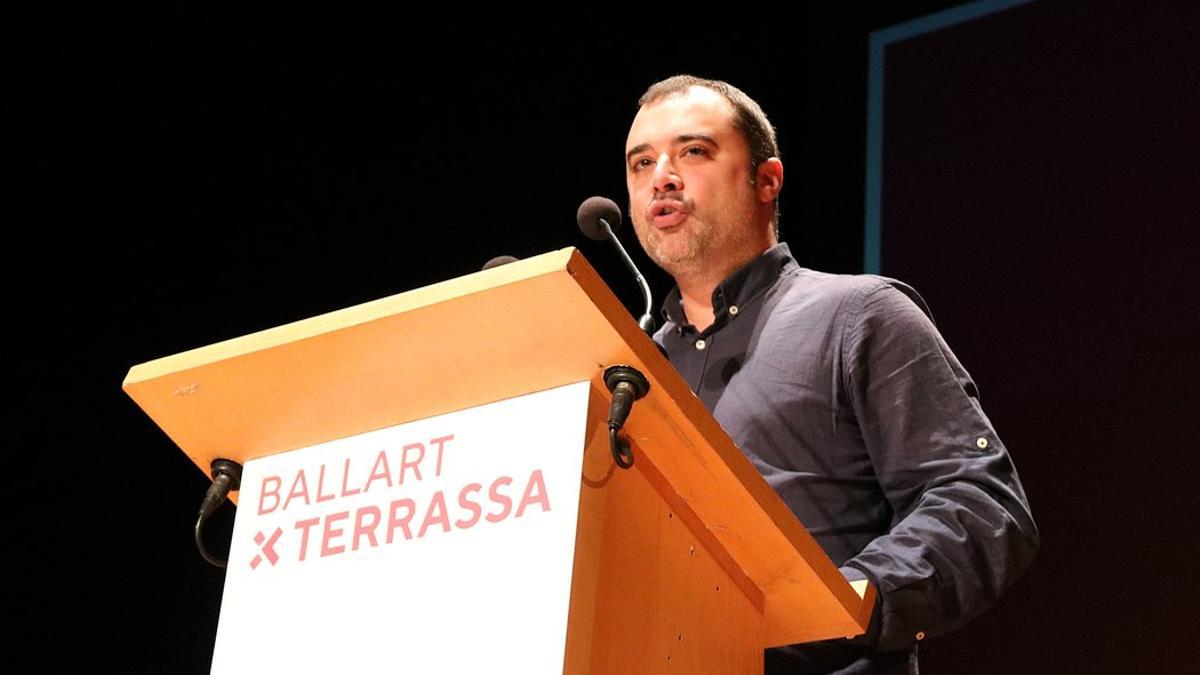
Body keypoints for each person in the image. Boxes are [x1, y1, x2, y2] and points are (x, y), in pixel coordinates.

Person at [623, 74, 1039, 674]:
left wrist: (841, 602)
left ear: (767, 180)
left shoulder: (858, 316)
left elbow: (980, 505)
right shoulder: (632, 375)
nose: (660, 176)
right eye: (641, 163)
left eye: (692, 151)